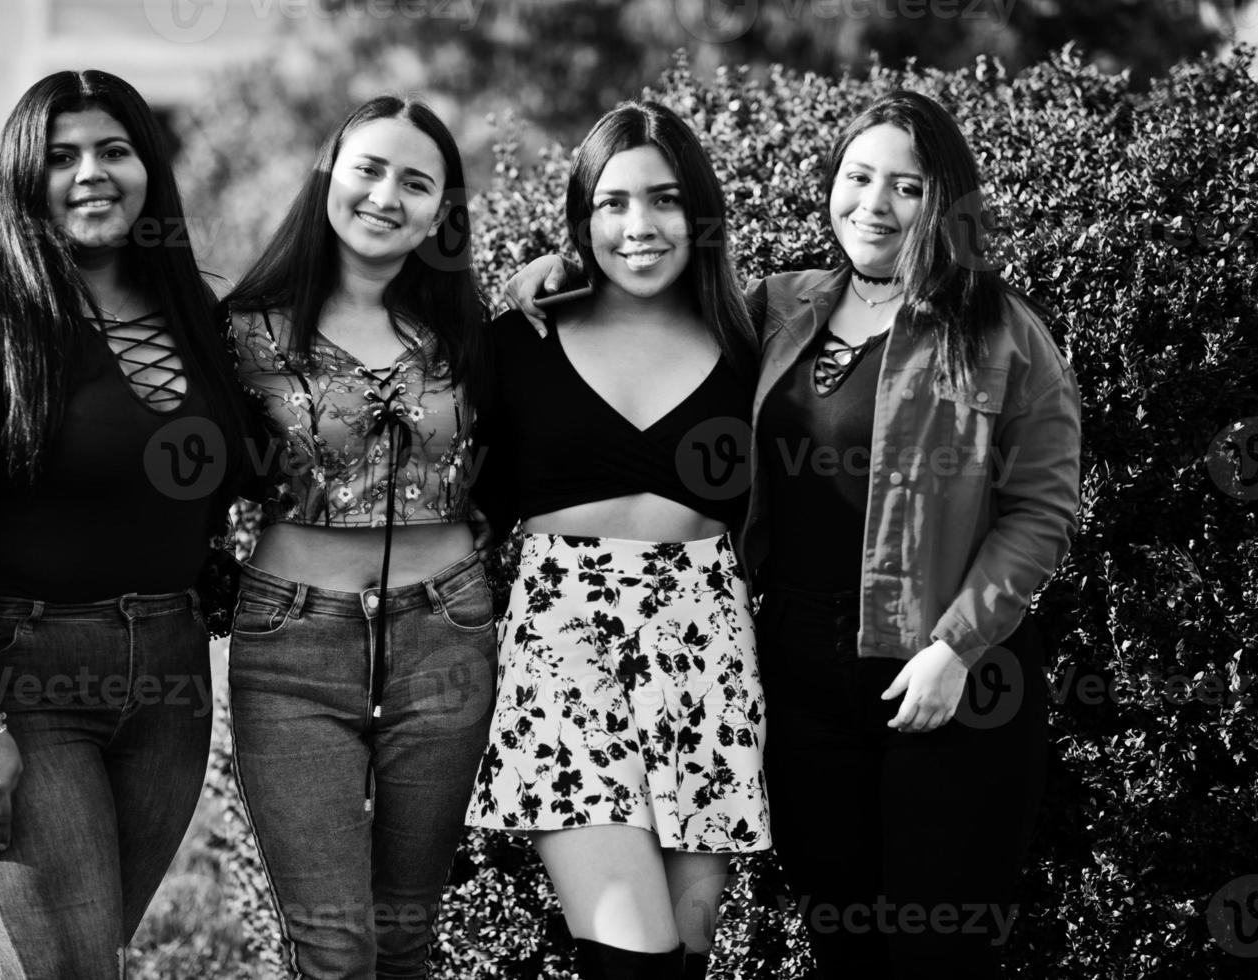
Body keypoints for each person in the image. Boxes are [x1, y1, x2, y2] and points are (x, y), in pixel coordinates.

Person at [508, 90, 1081, 980]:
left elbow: (1041, 509)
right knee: (840, 948)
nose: (875, 205)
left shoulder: (998, 331)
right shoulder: (778, 308)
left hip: (946, 679)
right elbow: (642, 300)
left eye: (907, 187)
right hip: (798, 675)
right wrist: (555, 268)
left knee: (937, 953)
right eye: (857, 178)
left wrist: (956, 646)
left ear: (946, 205)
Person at [0, 70, 250, 979]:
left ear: (148, 170)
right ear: (24, 178)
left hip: (166, 678)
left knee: (87, 956)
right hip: (17, 673)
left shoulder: (195, 318)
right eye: (61, 157)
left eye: (115, 150)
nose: (92, 173)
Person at [467, 101, 770, 980]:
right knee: (629, 963)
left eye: (665, 200)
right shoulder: (519, 340)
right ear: (580, 219)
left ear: (698, 213)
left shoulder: (751, 340)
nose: (639, 227)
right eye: (612, 203)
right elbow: (464, 497)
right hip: (565, 646)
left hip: (707, 651)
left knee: (681, 963)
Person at [220, 96, 495, 980]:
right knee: (337, 947)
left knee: (407, 939)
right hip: (292, 641)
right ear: (326, 177)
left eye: (416, 183)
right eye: (368, 169)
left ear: (440, 212)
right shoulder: (239, 332)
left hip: (446, 634)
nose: (386, 196)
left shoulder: (469, 331)